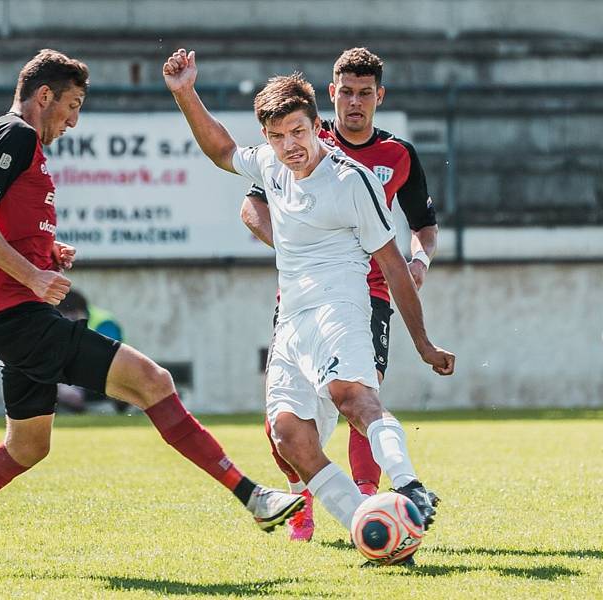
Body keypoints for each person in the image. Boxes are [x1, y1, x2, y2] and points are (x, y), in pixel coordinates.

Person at [0, 49, 304, 575]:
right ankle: (253, 498)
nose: (74, 119)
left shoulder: (2, 137)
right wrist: (32, 274)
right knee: (153, 381)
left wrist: (41, 253)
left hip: (10, 317)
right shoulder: (16, 135)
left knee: (26, 447)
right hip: (20, 314)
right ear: (45, 96)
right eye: (72, 105)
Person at [163, 48, 454, 545]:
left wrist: (424, 343)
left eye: (298, 132)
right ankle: (368, 524)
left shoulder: (351, 180)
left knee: (353, 398)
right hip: (291, 319)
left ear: (316, 125)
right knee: (287, 435)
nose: (289, 145)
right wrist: (185, 92)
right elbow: (221, 151)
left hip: (342, 306)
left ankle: (408, 485)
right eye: (277, 136)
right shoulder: (271, 166)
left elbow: (391, 264)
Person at [240, 47, 439, 542]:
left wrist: (420, 261)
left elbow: (424, 228)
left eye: (364, 93)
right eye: (345, 92)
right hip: (300, 296)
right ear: (331, 93)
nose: (354, 102)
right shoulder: (300, 138)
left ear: (379, 96)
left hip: (366, 294)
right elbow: (251, 209)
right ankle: (307, 497)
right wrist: (301, 245)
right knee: (284, 430)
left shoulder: (398, 155)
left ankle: (379, 507)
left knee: (357, 397)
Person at [55, 289, 129, 413]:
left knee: (118, 386)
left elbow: (109, 358)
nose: (69, 321)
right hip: (74, 380)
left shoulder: (104, 322)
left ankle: (116, 410)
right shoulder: (55, 324)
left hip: (106, 376)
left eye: (72, 316)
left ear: (81, 312)